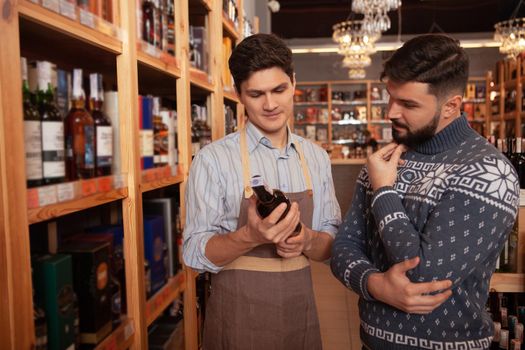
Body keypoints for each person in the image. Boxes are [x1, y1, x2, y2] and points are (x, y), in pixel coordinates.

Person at [331, 34, 520, 350]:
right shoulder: (385, 160)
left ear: (451, 106)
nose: (391, 112)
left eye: (408, 104)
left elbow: (422, 277)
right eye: (390, 97)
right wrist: (375, 285)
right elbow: (343, 248)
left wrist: (384, 191)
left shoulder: (488, 172)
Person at [183, 33, 341, 350]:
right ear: (239, 95)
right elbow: (193, 254)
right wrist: (250, 236)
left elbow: (330, 248)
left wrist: (308, 239)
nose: (270, 105)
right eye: (256, 94)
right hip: (236, 319)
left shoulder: (317, 158)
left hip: (301, 315)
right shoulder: (212, 160)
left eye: (279, 90)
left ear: (294, 82)